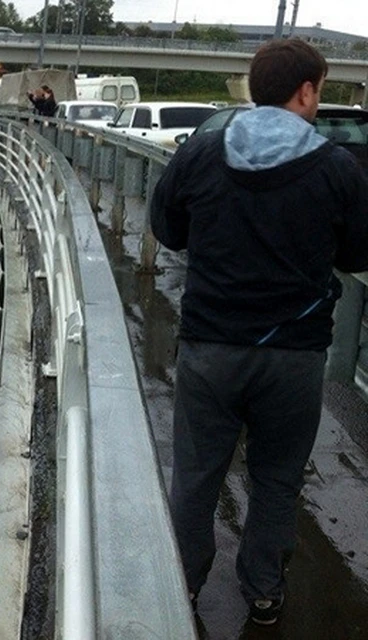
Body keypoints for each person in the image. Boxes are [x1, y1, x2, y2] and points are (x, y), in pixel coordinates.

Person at [150, 38, 368, 626]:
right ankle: (264, 591)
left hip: (210, 347)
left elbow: (167, 228)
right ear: (305, 91)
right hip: (294, 357)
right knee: (276, 480)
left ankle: (184, 584)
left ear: (252, 88)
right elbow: (358, 249)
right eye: (320, 90)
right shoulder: (336, 167)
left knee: (195, 477)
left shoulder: (201, 152)